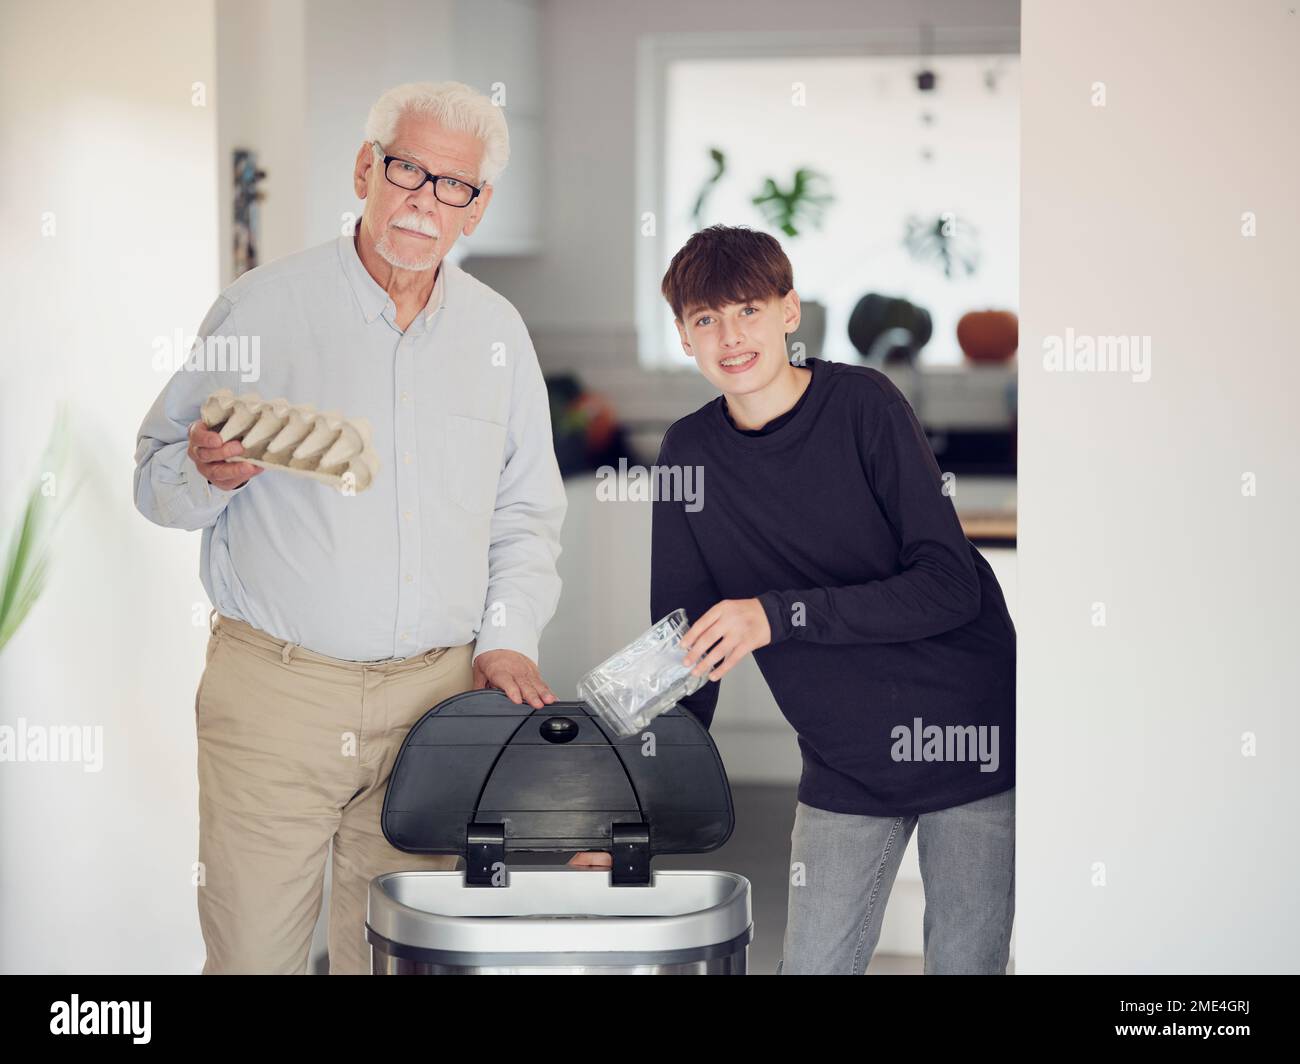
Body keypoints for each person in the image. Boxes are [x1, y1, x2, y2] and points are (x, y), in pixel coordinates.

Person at [133, 81, 567, 974]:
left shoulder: (498, 335)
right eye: (407, 169)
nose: (424, 200)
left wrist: (509, 638)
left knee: (406, 958)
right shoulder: (262, 309)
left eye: (454, 186)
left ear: (476, 208)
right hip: (277, 699)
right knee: (255, 958)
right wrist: (203, 474)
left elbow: (527, 511)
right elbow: (154, 478)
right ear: (366, 168)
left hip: (436, 701)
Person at [650, 225, 1016, 974]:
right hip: (844, 754)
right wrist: (632, 807)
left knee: (967, 966)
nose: (731, 335)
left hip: (966, 731)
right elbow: (685, 644)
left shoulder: (863, 405)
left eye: (748, 309)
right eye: (706, 319)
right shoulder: (688, 454)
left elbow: (948, 585)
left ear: (790, 312)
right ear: (685, 337)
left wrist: (777, 616)